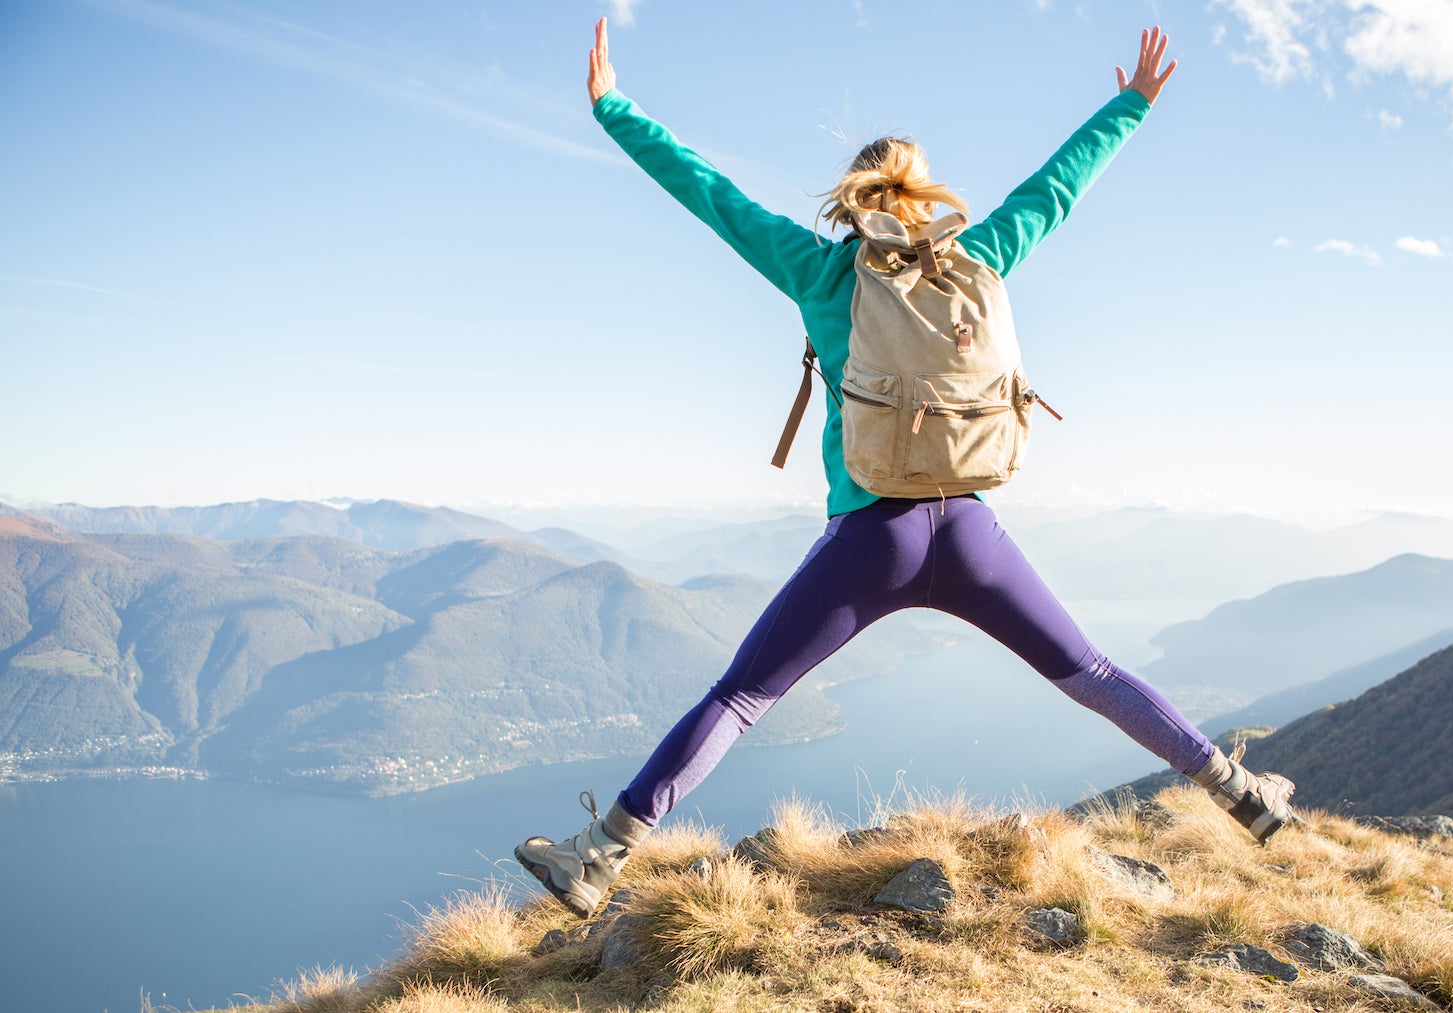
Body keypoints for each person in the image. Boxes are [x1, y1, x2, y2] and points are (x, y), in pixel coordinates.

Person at [517, 19, 1296, 919]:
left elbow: (709, 192)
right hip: (969, 529)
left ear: (853, 204)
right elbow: (1059, 187)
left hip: (868, 537)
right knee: (1095, 671)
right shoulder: (982, 258)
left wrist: (615, 109)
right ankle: (1242, 790)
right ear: (924, 198)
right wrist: (1129, 105)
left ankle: (599, 856)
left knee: (738, 696)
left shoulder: (820, 270)